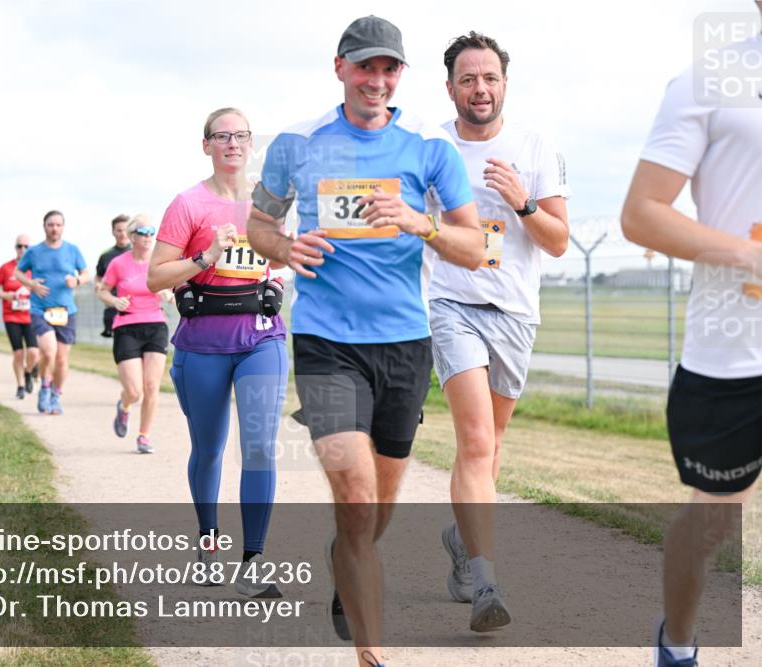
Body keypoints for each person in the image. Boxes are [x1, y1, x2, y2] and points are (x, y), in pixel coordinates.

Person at [245, 16, 484, 666]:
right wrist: (287, 246)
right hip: (325, 340)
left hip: (405, 345)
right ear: (340, 67)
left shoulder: (429, 150)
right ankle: (372, 655)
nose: (376, 80)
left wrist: (420, 222)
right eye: (364, 66)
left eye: (388, 68)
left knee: (372, 511)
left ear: (400, 75)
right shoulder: (298, 144)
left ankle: (344, 557)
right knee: (353, 492)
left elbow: (476, 246)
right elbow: (259, 223)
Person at [621, 10, 761, 665]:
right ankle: (676, 641)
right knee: (711, 522)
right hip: (735, 353)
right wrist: (747, 255)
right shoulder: (709, 77)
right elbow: (641, 212)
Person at [426, 31, 571, 633]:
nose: (479, 88)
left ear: (504, 83)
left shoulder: (535, 146)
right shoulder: (431, 146)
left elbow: (559, 242)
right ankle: (487, 582)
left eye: (489, 77)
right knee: (477, 442)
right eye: (468, 78)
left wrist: (523, 203)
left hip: (514, 311)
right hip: (451, 303)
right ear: (451, 87)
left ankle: (461, 539)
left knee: (488, 449)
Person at [148, 107, 290, 599]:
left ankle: (254, 560)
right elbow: (156, 277)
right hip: (204, 341)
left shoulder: (270, 202)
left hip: (262, 337)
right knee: (208, 449)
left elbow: (290, 257)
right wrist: (205, 257)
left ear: (251, 144)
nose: (233, 143)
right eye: (222, 136)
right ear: (206, 145)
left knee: (258, 446)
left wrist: (283, 265)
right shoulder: (187, 204)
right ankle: (208, 544)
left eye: (241, 135)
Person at [99, 215, 171, 453]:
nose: (149, 235)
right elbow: (103, 291)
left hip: (155, 325)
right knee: (134, 391)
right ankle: (125, 406)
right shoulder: (119, 263)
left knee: (151, 386)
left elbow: (172, 290)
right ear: (132, 236)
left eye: (152, 231)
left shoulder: (160, 262)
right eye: (143, 231)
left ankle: (144, 436)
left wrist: (168, 295)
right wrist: (114, 301)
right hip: (126, 326)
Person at [15, 210, 91, 416]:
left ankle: (56, 395)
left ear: (63, 227)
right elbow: (18, 272)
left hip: (66, 311)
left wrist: (76, 280)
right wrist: (31, 284)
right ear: (44, 227)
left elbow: (86, 273)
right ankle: (45, 387)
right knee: (48, 351)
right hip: (41, 309)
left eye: (58, 225)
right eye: (50, 224)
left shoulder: (72, 250)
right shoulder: (34, 252)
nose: (54, 228)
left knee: (62, 360)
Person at [0, 235, 40, 399]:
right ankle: (20, 385)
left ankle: (28, 372)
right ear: (15, 248)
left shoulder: (35, 268)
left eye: (26, 247)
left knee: (33, 352)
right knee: (18, 353)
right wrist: (6, 295)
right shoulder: (6, 268)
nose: (23, 250)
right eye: (20, 246)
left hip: (31, 316)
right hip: (11, 316)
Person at [96, 214, 132, 338]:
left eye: (125, 230)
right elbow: (99, 277)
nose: (122, 234)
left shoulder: (141, 253)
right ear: (113, 232)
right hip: (113, 304)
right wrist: (98, 285)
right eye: (119, 230)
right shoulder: (106, 255)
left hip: (134, 306)